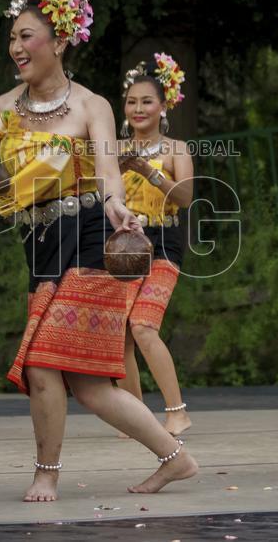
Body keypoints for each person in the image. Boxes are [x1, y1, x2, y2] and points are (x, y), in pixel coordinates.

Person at [0, 0, 198, 502]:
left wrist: (117, 205)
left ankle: (47, 475)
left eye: (26, 36)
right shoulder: (1, 109)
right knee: (88, 384)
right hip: (40, 242)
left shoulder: (92, 105)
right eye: (13, 38)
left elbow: (108, 171)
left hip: (91, 235)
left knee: (42, 361)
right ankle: (174, 457)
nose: (15, 47)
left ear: (60, 41)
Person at [114, 53, 194, 437]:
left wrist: (147, 170)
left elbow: (186, 197)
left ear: (163, 106)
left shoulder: (176, 148)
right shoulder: (115, 150)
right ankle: (135, 416)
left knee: (144, 325)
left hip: (164, 242)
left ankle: (177, 412)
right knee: (120, 333)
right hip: (123, 244)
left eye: (147, 101)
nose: (138, 108)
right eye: (132, 102)